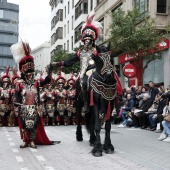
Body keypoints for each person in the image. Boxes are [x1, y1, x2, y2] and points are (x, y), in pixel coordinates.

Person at [52, 15, 103, 113]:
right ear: (83, 41)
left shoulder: (98, 50)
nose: (87, 41)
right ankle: (84, 102)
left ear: (93, 40)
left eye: (89, 40)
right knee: (83, 83)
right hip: (85, 72)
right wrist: (58, 64)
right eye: (86, 40)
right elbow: (69, 62)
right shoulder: (80, 52)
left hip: (97, 71)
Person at [10, 41, 53, 148]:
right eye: (28, 74)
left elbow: (46, 81)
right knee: (23, 125)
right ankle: (25, 141)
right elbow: (16, 95)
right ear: (24, 72)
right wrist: (15, 105)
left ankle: (32, 141)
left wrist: (50, 73)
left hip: (34, 106)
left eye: (31, 74)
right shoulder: (19, 83)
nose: (30, 76)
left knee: (34, 124)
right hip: (23, 107)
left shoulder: (36, 82)